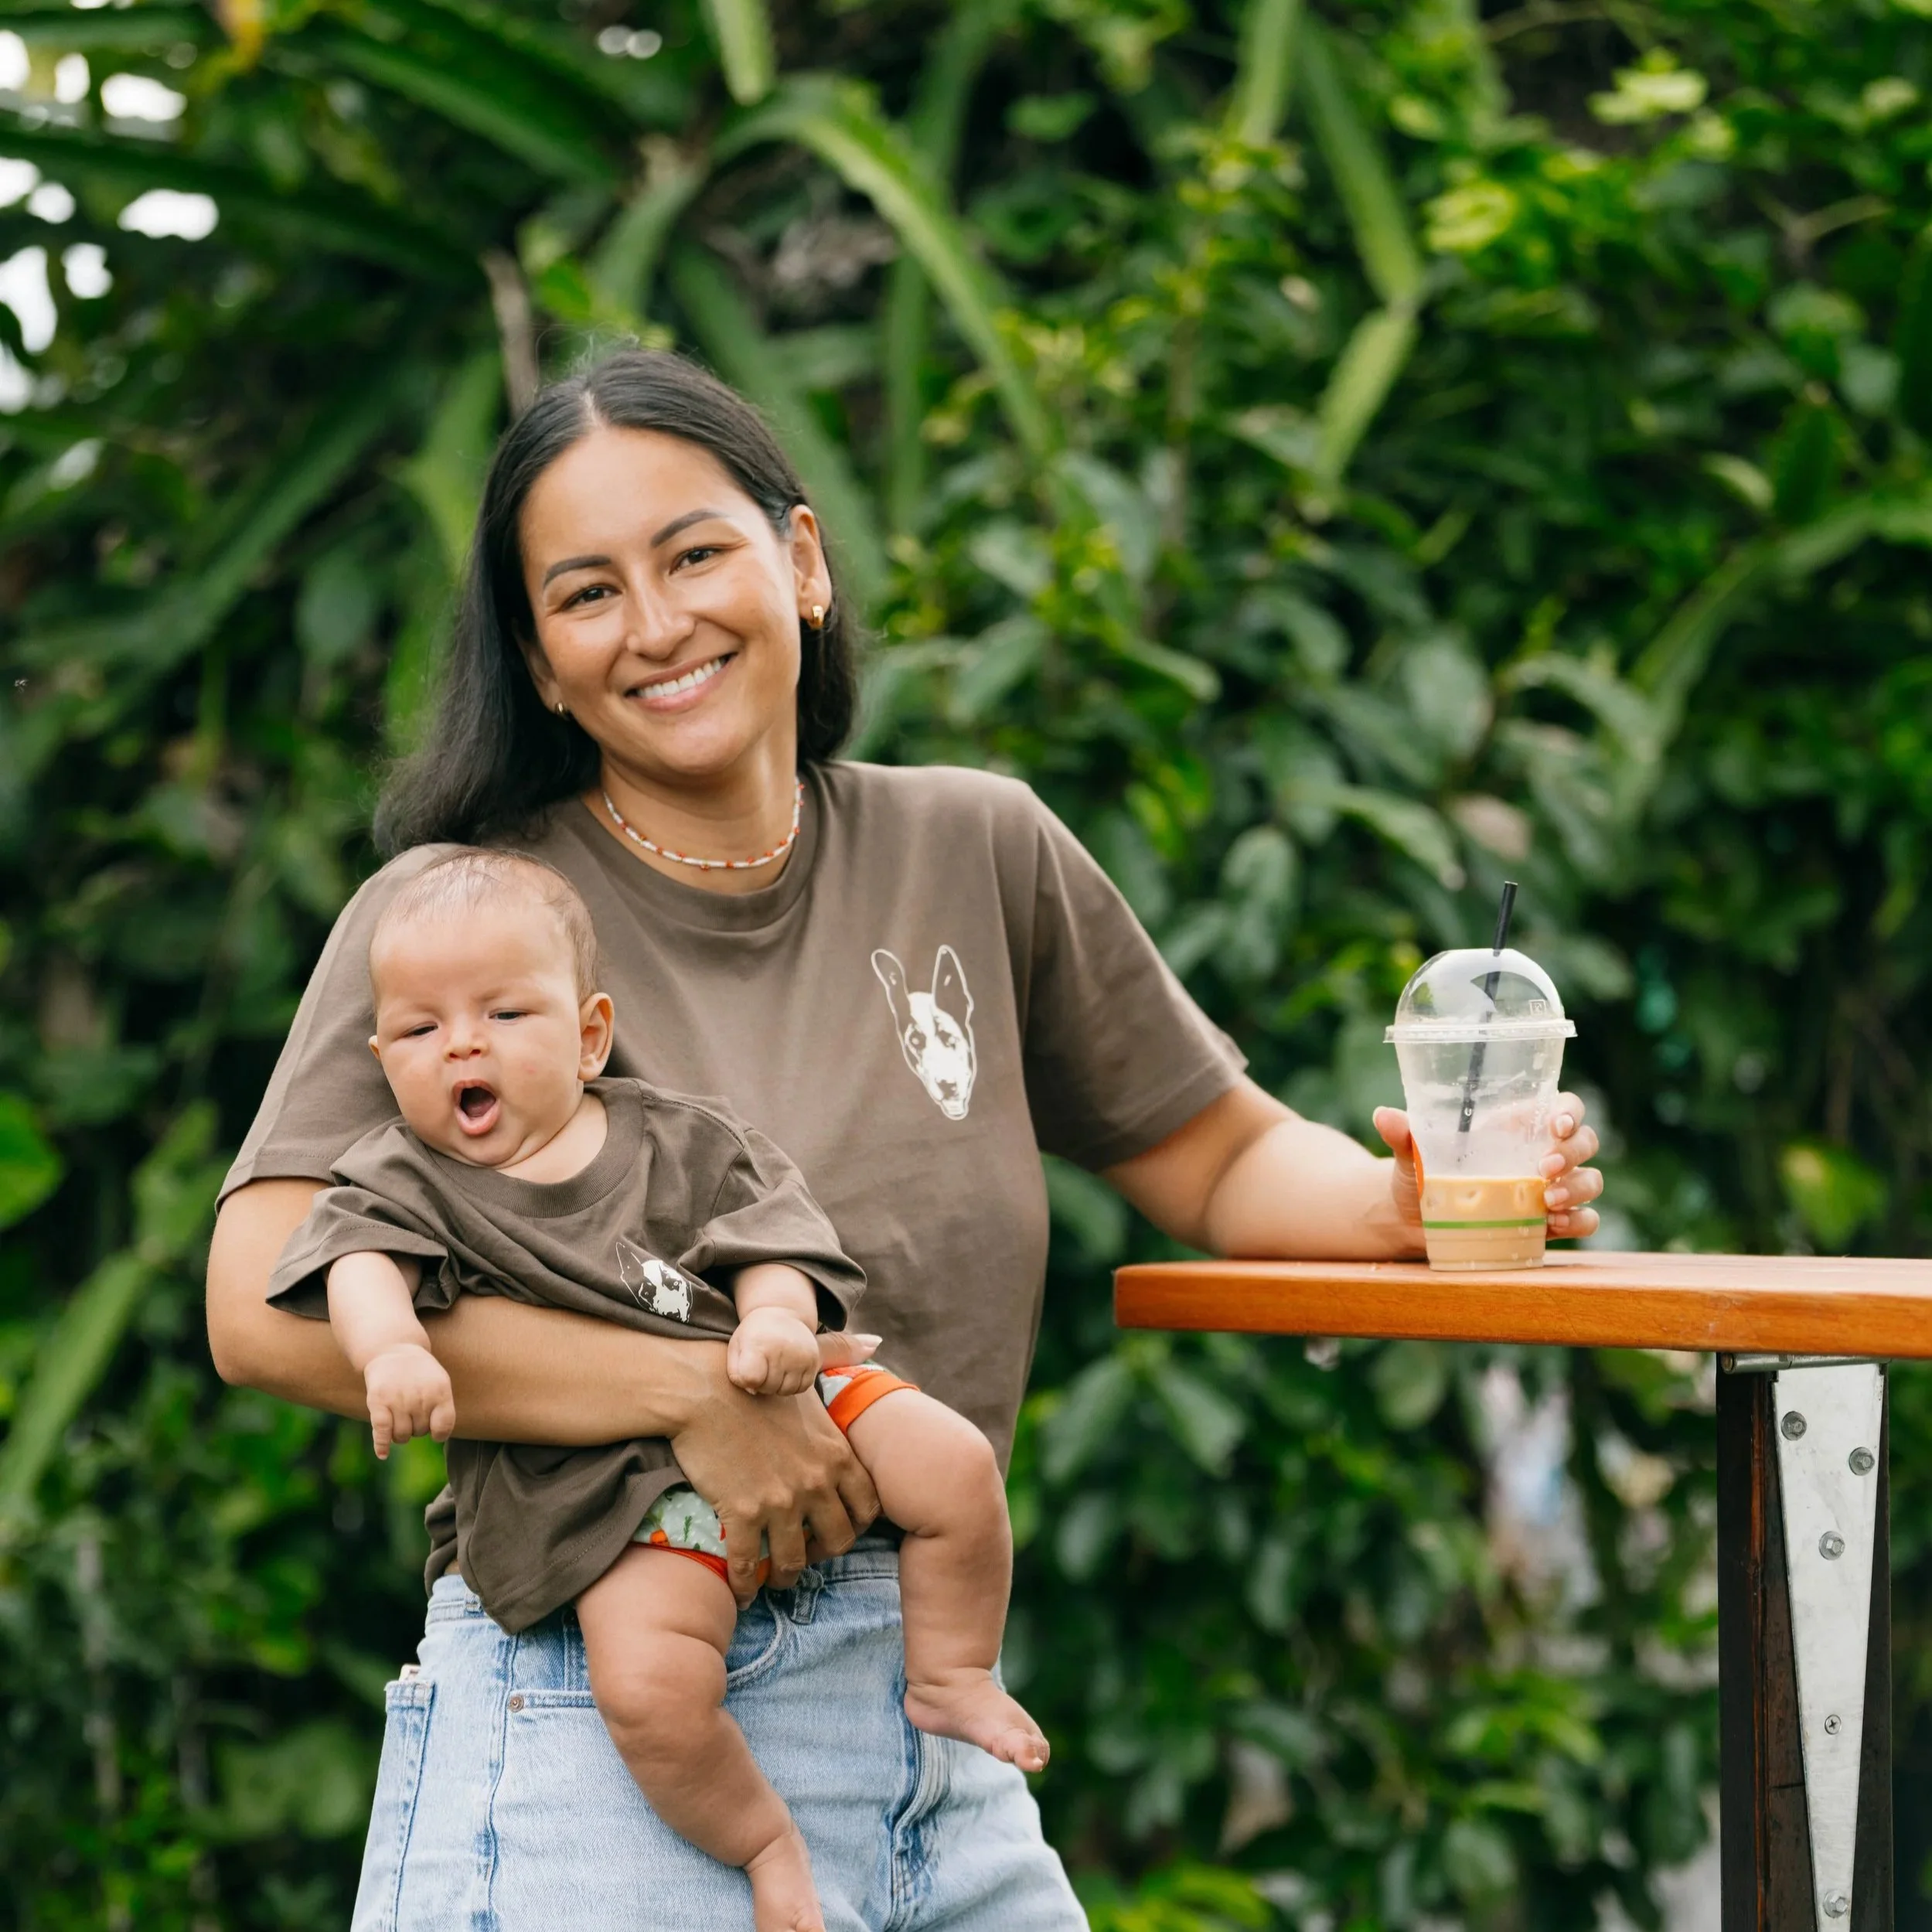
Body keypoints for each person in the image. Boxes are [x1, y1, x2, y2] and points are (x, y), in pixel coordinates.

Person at [205, 348, 1604, 1931]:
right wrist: (694, 1396)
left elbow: (1213, 1158)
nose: (656, 625)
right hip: (604, 1718)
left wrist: (1412, 1197)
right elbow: (263, 1304)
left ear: (799, 562)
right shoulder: (462, 931)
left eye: (694, 555)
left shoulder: (974, 848)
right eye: (586, 593)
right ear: (537, 661)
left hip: (932, 1710)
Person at [271, 846, 1046, 1932]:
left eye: (504, 1013)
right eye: (418, 1029)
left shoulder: (676, 1135)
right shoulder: (401, 1176)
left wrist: (777, 1314)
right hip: (604, 1497)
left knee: (954, 1466)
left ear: (590, 1032)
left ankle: (951, 1672)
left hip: (787, 1396)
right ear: (382, 1057)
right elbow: (355, 1265)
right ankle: (761, 1840)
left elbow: (774, 1235)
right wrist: (393, 1345)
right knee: (645, 1687)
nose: (461, 1043)